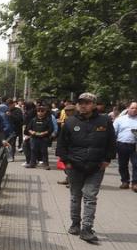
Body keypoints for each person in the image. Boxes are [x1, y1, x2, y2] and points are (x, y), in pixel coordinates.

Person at [56, 93, 116, 242]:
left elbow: (111, 142)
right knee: (75, 196)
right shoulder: (70, 122)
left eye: (87, 103)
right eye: (81, 102)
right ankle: (75, 224)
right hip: (74, 165)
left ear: (94, 105)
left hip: (96, 166)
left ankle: (87, 228)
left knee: (90, 196)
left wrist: (107, 159)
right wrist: (66, 162)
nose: (83, 105)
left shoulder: (105, 121)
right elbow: (61, 144)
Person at [113, 101, 137, 191]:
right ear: (128, 108)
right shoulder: (120, 119)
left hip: (135, 145)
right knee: (122, 164)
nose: (134, 110)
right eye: (132, 108)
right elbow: (113, 132)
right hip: (122, 144)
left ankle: (135, 183)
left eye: (136, 108)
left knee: (136, 164)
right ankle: (125, 181)